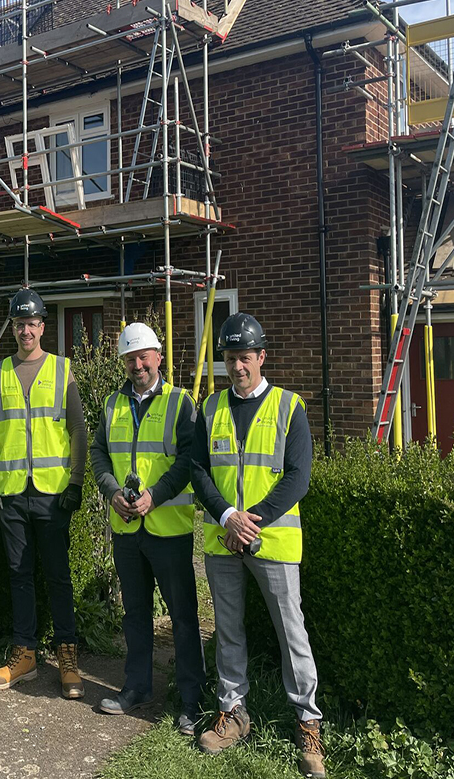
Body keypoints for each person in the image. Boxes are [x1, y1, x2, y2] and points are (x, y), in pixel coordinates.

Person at [191, 313, 325, 778]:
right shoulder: (209, 408)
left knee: (293, 635)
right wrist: (228, 516)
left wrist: (254, 520)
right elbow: (198, 470)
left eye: (244, 358)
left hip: (273, 542)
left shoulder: (290, 406)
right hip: (221, 537)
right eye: (230, 359)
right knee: (227, 630)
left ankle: (308, 722)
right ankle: (233, 712)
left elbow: (298, 476)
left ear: (261, 357)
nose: (237, 367)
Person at [89, 322, 205, 733]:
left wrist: (155, 495)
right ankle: (136, 687)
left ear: (158, 356)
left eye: (144, 356)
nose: (137, 364)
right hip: (126, 530)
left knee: (183, 618)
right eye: (130, 358)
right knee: (135, 615)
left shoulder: (181, 403)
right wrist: (111, 492)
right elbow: (100, 453)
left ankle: (192, 700)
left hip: (168, 529)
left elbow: (190, 460)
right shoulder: (111, 403)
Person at [0, 289, 87, 699]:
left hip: (52, 494)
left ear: (43, 327)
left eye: (33, 323)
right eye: (20, 323)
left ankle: (67, 657)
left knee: (58, 577)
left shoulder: (62, 370)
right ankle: (24, 654)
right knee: (19, 576)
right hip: (10, 495)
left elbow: (78, 429)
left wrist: (76, 482)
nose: (26, 330)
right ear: (14, 328)